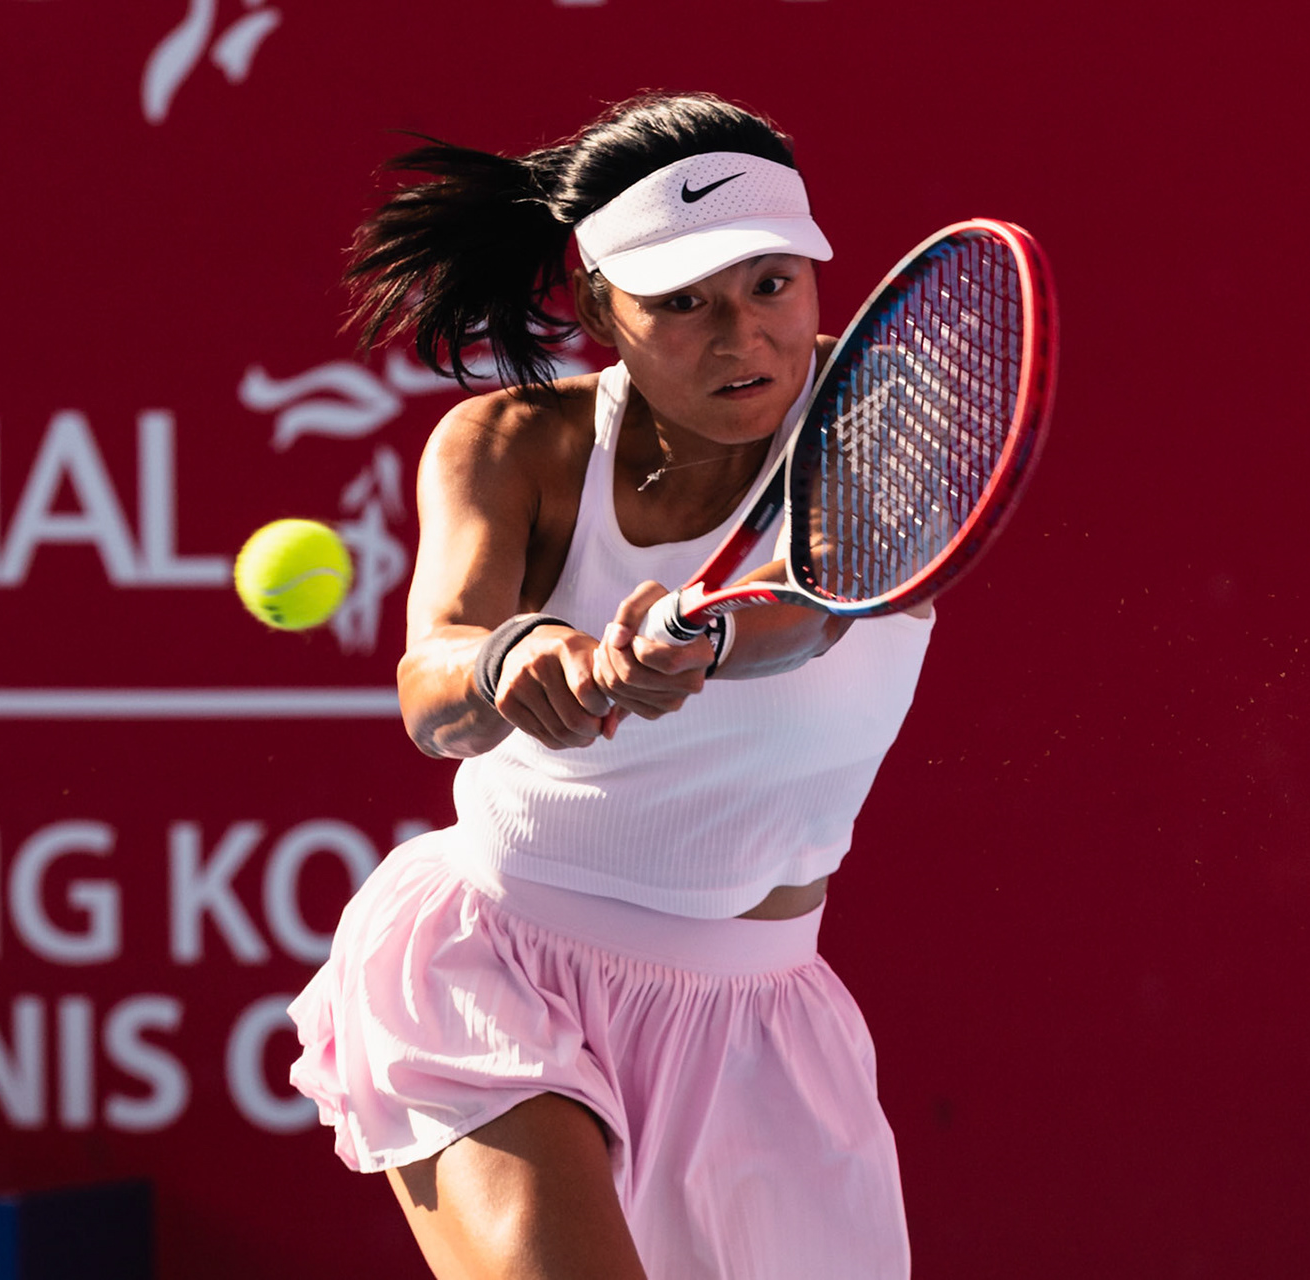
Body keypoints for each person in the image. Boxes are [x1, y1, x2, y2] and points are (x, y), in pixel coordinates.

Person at [288, 92, 935, 1279]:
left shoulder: (886, 412)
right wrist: (515, 656)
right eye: (683, 301)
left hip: (756, 1028)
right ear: (597, 306)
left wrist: (700, 644)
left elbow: (813, 603)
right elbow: (434, 681)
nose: (740, 336)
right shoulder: (509, 444)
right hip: (491, 968)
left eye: (770, 285)